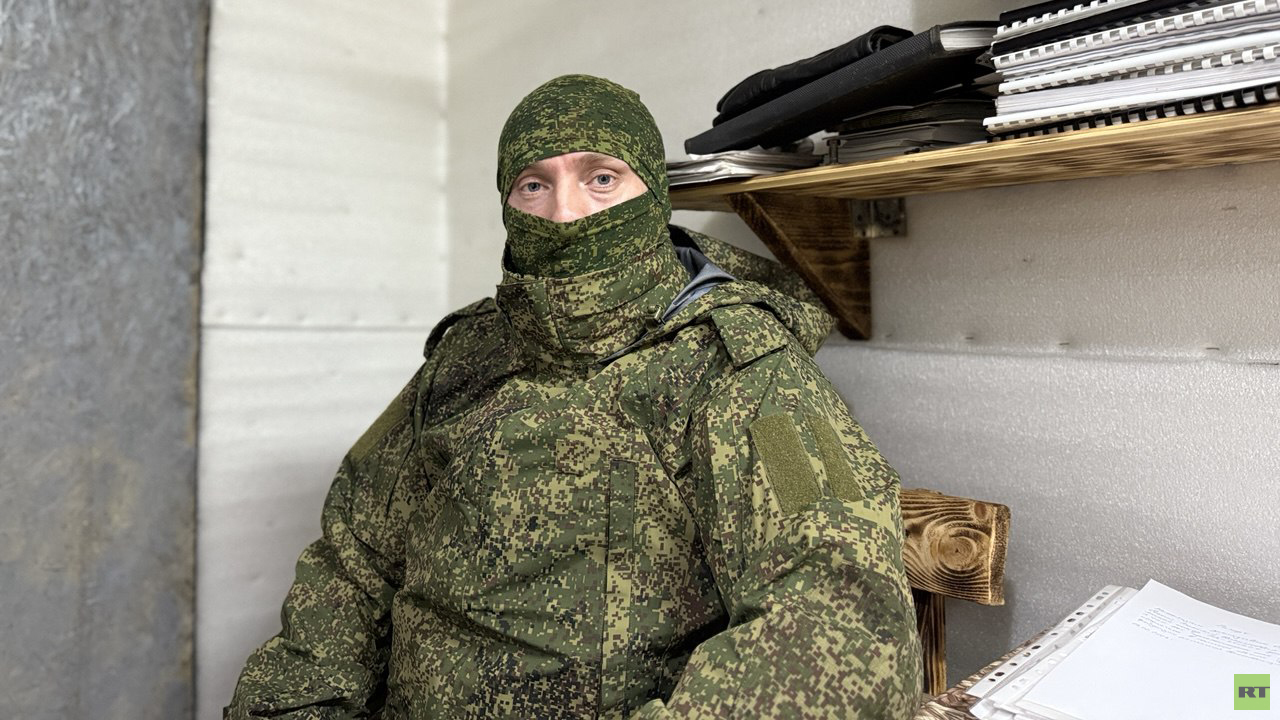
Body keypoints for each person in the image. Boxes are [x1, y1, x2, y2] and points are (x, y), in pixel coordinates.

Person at [225, 74, 921, 720]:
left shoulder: (739, 370)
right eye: (533, 185)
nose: (564, 213)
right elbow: (353, 559)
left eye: (601, 178)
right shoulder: (467, 354)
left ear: (653, 193)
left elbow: (842, 621)